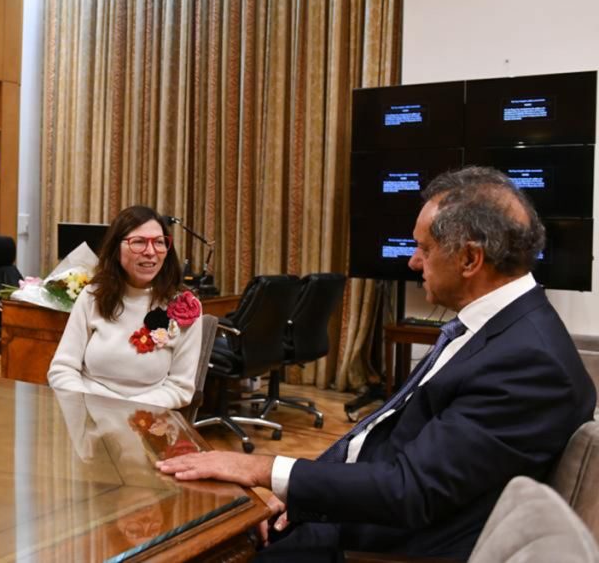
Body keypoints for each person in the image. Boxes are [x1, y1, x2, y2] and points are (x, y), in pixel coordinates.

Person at [156, 166, 597, 561]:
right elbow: (379, 440)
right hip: (349, 513)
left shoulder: (529, 363)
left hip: (373, 546)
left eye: (424, 248)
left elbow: (411, 489)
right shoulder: (500, 330)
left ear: (469, 259)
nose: (413, 261)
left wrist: (263, 470)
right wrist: (294, 494)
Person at [48, 205, 204, 409]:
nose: (150, 252)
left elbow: (180, 388)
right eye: (138, 242)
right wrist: (91, 409)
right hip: (89, 418)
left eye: (159, 242)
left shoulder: (184, 307)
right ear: (116, 249)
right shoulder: (93, 296)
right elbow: (62, 369)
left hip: (147, 421)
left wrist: (127, 414)